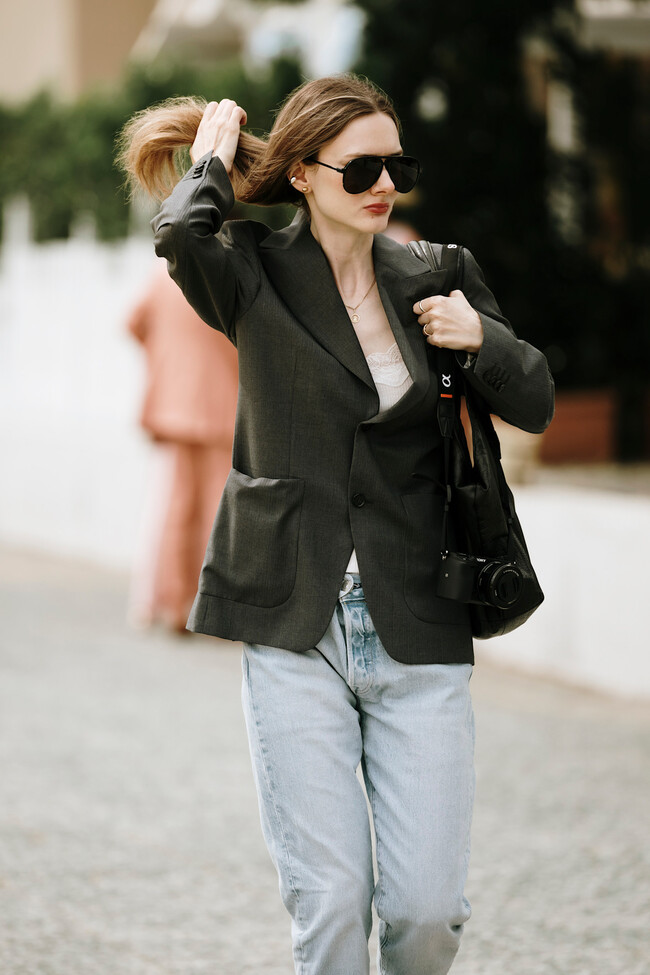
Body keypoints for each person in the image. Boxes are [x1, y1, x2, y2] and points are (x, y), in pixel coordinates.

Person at [119, 75, 554, 974]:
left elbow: (537, 400)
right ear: (304, 176)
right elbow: (181, 235)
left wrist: (481, 338)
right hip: (293, 617)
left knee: (427, 912)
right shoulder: (252, 272)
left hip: (419, 618)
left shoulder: (438, 274)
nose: (384, 184)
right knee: (330, 903)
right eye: (360, 169)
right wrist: (210, 162)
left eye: (397, 165)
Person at [126, 260, 238, 633]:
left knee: (176, 509)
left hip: (174, 405)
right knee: (217, 513)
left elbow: (132, 323)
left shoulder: (163, 275)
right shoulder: (232, 274)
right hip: (222, 405)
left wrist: (165, 355)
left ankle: (175, 606)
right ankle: (210, 610)